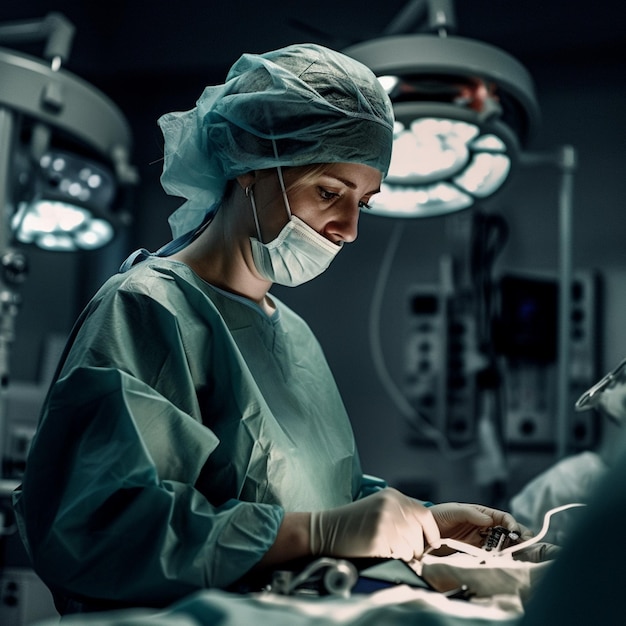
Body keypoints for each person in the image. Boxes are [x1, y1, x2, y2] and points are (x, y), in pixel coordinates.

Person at [12, 43, 526, 613]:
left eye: (365, 202)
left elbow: (314, 497)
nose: (350, 228)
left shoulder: (292, 334)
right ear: (253, 169)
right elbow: (97, 532)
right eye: (330, 193)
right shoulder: (147, 310)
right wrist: (321, 535)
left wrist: (420, 526)